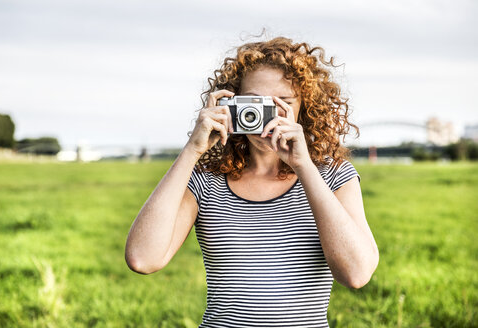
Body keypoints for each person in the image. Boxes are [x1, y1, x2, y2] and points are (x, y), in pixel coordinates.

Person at [125, 36, 379, 327]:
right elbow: (143, 259)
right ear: (231, 103)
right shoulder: (207, 181)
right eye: (255, 102)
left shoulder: (332, 175)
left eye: (282, 103)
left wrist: (304, 166)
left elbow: (357, 274)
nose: (267, 115)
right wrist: (192, 150)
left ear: (304, 109)